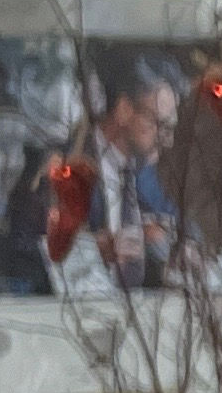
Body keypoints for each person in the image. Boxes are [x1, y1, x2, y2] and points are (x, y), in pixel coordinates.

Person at [56, 55, 185, 291]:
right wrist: (94, 252)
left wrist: (177, 243)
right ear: (124, 110)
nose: (168, 139)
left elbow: (181, 223)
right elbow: (31, 252)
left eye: (171, 127)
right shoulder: (65, 168)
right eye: (159, 124)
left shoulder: (145, 170)